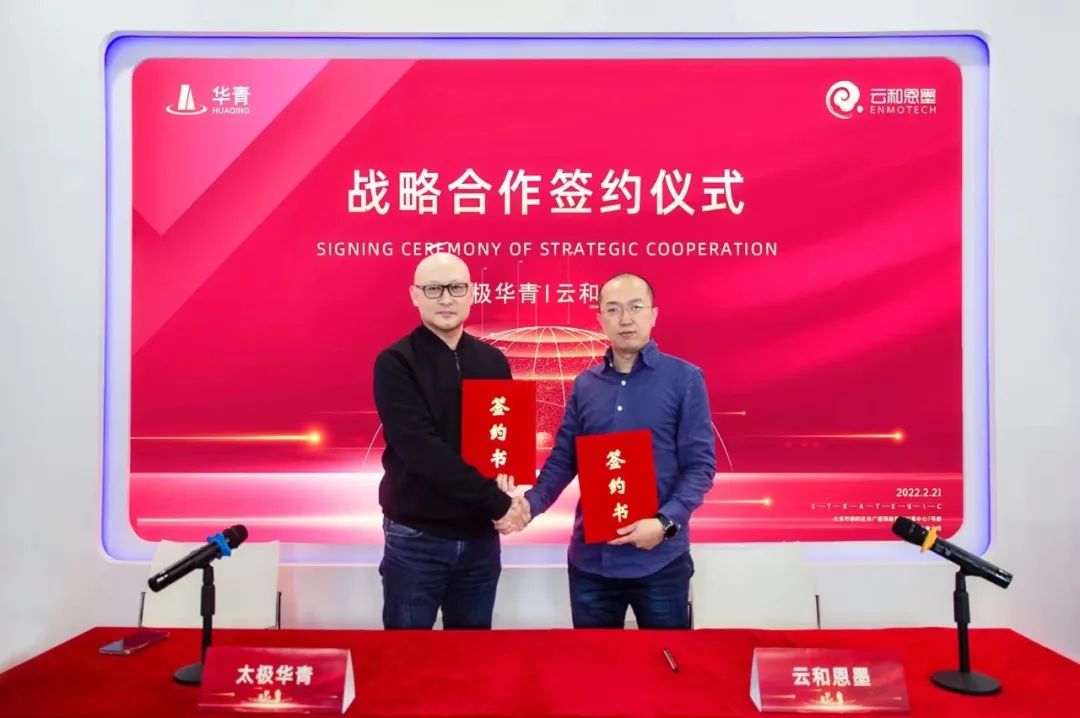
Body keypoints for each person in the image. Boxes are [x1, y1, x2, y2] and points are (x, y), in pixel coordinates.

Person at [498, 272, 715, 629]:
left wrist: (664, 523)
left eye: (635, 307)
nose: (625, 319)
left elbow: (700, 467)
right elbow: (564, 459)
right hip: (592, 563)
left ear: (654, 315)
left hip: (660, 562)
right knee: (594, 663)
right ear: (600, 319)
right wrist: (529, 506)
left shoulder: (684, 379)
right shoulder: (586, 385)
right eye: (613, 309)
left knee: (666, 661)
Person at [374, 253, 530, 629]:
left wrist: (511, 489)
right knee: (407, 656)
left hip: (480, 539)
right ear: (415, 295)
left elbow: (502, 444)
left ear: (472, 293)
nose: (446, 298)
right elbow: (421, 450)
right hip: (416, 538)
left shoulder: (493, 361)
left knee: (471, 656)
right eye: (434, 289)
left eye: (456, 288)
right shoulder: (396, 362)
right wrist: (498, 503)